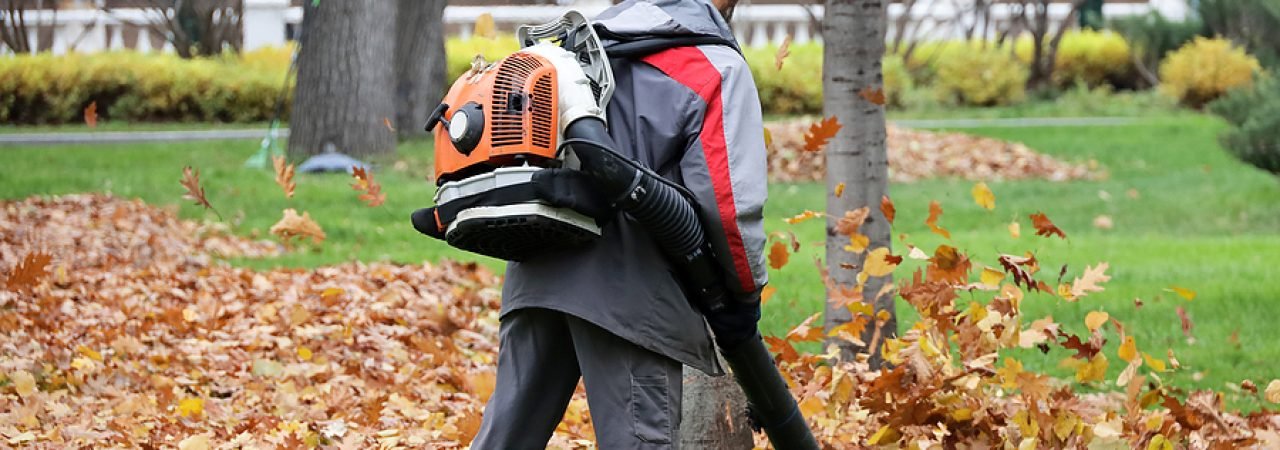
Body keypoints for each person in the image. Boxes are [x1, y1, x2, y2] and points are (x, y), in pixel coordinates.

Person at [470, 0, 767, 447]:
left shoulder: (578, 43)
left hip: (537, 270)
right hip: (629, 293)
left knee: (505, 438)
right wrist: (744, 298)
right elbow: (729, 209)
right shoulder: (715, 66)